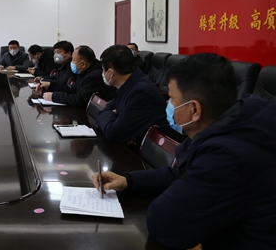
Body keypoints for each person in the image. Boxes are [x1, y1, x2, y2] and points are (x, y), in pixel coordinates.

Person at [93, 53, 276, 249]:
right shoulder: (238, 117)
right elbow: (181, 173)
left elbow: (163, 223)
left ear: (194, 109)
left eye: (172, 99)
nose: (168, 105)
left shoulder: (226, 156)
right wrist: (129, 181)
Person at [95, 44, 171, 148]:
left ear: (110, 73)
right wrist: (113, 115)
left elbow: (113, 133)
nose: (102, 73)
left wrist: (113, 114)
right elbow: (101, 113)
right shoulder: (128, 84)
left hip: (152, 152)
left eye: (103, 70)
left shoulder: (141, 92)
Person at [43, 45, 115, 108]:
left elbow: (79, 100)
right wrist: (51, 85)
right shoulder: (84, 71)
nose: (71, 63)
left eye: (73, 60)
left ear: (83, 64)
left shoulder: (94, 77)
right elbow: (72, 90)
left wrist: (54, 96)